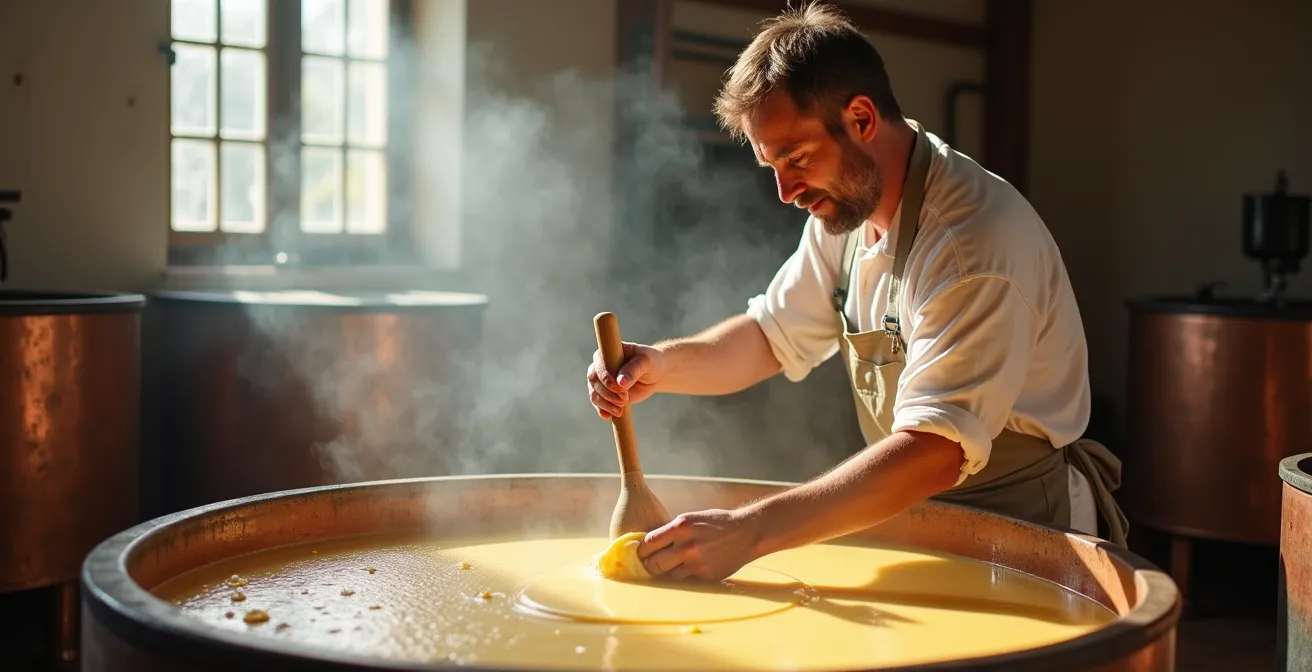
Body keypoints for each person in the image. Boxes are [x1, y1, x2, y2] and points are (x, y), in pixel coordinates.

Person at [585, 2, 1128, 582]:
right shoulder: (843, 216)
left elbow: (933, 451)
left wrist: (751, 531)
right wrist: (663, 366)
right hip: (917, 515)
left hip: (1025, 534)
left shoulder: (971, 243)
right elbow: (773, 337)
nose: (785, 191)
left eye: (796, 159)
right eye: (772, 165)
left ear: (862, 119)